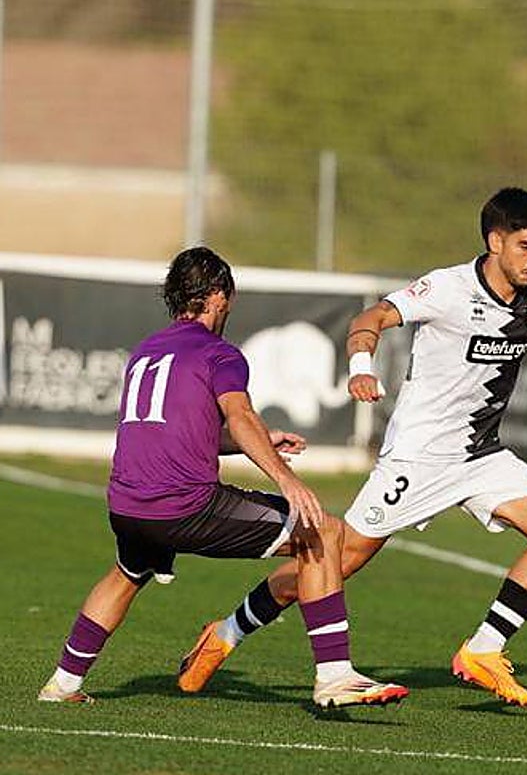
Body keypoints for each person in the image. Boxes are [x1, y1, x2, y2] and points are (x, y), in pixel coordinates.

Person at [177, 187, 527, 707]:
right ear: (495, 241)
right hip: (417, 457)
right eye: (526, 247)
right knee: (332, 562)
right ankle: (226, 632)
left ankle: (483, 650)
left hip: (481, 455)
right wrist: (362, 368)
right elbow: (368, 320)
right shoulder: (446, 288)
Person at [38, 247, 407, 709]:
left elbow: (186, 432)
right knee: (322, 533)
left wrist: (255, 441)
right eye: (228, 297)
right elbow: (241, 413)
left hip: (128, 506)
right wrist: (285, 480)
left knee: (127, 573)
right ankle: (334, 676)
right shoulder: (219, 353)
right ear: (215, 296)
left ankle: (63, 684)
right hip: (185, 506)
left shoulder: (146, 351)